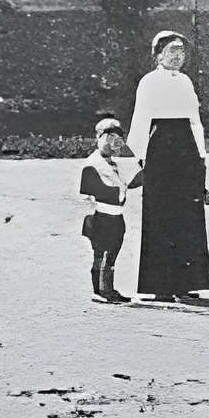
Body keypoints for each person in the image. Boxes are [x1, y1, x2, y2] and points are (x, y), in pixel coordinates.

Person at [127, 31, 209, 302]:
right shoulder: (149, 82)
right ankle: (161, 286)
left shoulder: (187, 82)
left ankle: (186, 282)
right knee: (161, 215)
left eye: (181, 51)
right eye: (172, 50)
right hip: (160, 148)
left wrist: (200, 155)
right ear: (158, 55)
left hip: (186, 150)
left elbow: (194, 120)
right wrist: (141, 158)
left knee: (188, 214)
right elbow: (141, 119)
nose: (178, 56)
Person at [79, 116, 142, 304]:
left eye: (117, 136)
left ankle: (108, 289)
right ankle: (99, 291)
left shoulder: (113, 163)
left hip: (116, 217)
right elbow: (97, 191)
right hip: (101, 216)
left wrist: (142, 172)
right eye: (109, 135)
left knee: (111, 256)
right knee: (101, 254)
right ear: (99, 137)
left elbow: (126, 186)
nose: (113, 141)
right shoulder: (93, 164)